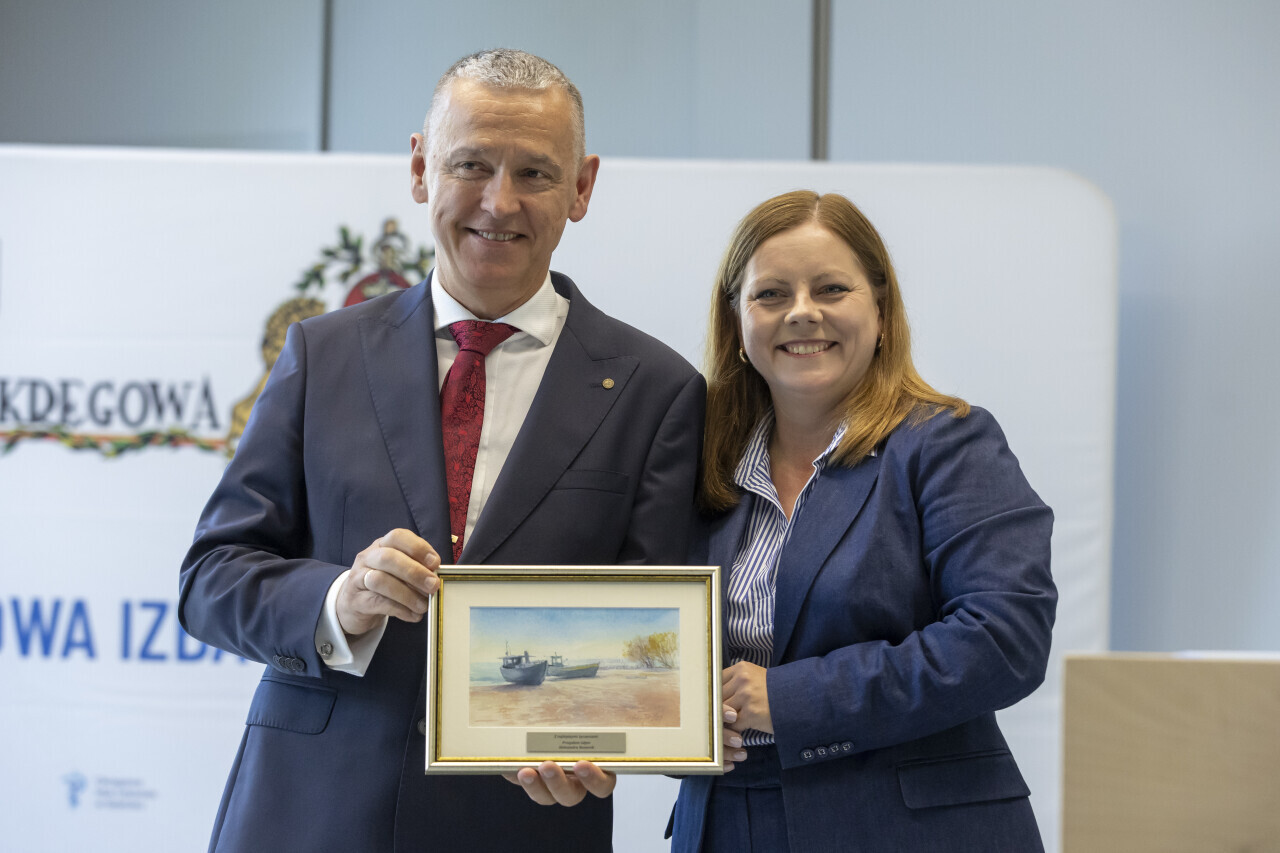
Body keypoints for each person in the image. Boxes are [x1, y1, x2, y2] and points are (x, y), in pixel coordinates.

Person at [178, 49, 704, 853]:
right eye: (471, 164)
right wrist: (340, 601)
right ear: (422, 168)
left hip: (523, 825)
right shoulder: (322, 355)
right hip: (310, 814)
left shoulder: (656, 388)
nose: (499, 201)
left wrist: (595, 741)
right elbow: (210, 578)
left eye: (535, 172)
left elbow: (651, 646)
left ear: (582, 187)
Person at [667, 191, 1056, 852]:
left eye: (831, 288)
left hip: (911, 829)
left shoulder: (947, 443)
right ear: (736, 322)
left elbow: (1004, 639)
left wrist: (791, 700)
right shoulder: (698, 461)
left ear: (880, 309)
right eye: (770, 294)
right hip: (728, 821)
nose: (801, 311)